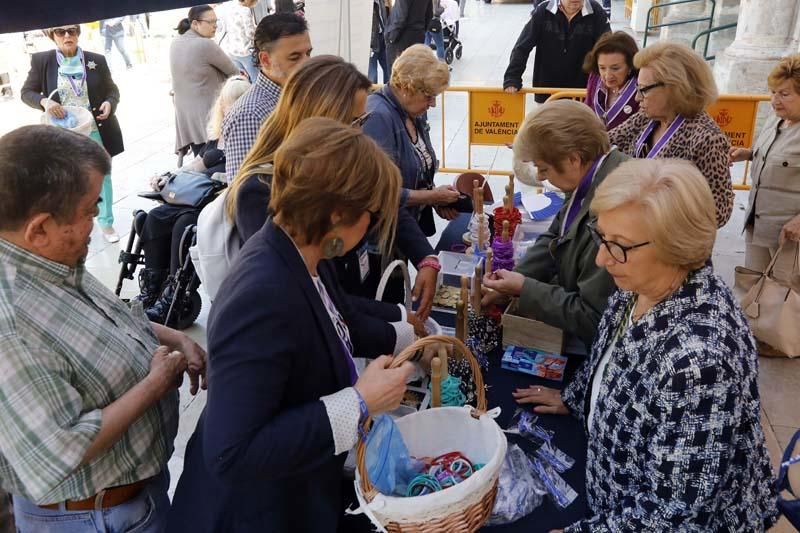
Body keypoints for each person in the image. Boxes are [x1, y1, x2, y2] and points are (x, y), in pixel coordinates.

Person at [168, 118, 419, 531]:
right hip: (252, 514)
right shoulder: (262, 292)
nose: (371, 229)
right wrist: (359, 402)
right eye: (371, 217)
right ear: (337, 213)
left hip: (292, 496)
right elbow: (232, 452)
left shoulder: (304, 256)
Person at [519, 158, 779, 531]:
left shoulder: (698, 364)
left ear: (678, 248)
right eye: (601, 236)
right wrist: (576, 398)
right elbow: (611, 358)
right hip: (613, 492)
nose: (601, 257)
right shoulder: (642, 281)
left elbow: (674, 513)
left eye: (619, 246)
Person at [0, 125, 207, 533]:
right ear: (39, 228)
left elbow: (104, 316)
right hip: (93, 518)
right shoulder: (11, 325)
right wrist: (156, 383)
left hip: (130, 498)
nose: (96, 220)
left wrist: (175, 336)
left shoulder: (47, 260)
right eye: (90, 211)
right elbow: (63, 447)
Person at [226, 54, 440, 320]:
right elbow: (316, 299)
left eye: (362, 121)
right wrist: (398, 323)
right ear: (322, 118)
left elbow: (387, 205)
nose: (362, 132)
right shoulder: (260, 190)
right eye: (356, 122)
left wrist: (426, 258)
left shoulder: (340, 157)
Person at [482, 101, 619, 354]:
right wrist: (517, 278)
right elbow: (557, 234)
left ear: (573, 159)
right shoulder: (589, 178)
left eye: (544, 169)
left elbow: (592, 317)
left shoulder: (611, 212)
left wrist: (525, 288)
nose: (542, 178)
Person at [136, 75, 251, 324]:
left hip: (214, 203)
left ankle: (174, 297)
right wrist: (167, 177)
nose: (233, 107)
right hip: (192, 197)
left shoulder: (247, 136)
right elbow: (194, 166)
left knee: (184, 225)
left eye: (239, 101)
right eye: (229, 102)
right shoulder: (216, 137)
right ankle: (152, 290)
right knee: (155, 217)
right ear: (222, 105)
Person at [362, 44, 457, 314]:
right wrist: (431, 197)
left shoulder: (409, 112)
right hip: (381, 243)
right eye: (429, 96)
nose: (433, 103)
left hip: (402, 233)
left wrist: (433, 197)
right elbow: (379, 193)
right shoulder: (378, 117)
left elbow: (418, 169)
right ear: (406, 87)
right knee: (387, 308)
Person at [609, 41, 733, 228]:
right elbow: (603, 143)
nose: (637, 98)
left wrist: (658, 210)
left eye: (643, 90)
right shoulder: (647, 118)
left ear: (676, 88)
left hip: (672, 247)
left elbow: (719, 211)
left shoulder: (707, 138)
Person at [21, 24, 124, 243]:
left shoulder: (95, 59)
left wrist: (109, 103)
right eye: (61, 32)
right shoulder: (42, 60)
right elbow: (26, 92)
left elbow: (112, 90)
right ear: (52, 36)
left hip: (95, 129)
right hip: (62, 134)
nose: (67, 35)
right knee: (68, 180)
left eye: (72, 31)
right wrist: (44, 101)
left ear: (78, 33)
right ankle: (75, 222)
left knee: (102, 177)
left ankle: (106, 222)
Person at [731, 54, 800, 293]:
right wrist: (748, 154)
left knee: (783, 300)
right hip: (758, 223)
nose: (774, 100)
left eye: (784, 94)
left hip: (789, 237)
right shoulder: (777, 120)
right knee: (752, 288)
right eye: (773, 92)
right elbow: (779, 156)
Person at [222, 12, 311, 179]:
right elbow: (243, 193)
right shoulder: (250, 114)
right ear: (265, 60)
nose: (306, 62)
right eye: (295, 57)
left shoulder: (297, 96)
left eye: (308, 53)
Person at [503, 0, 610, 103]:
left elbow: (608, 48)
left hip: (583, 92)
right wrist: (512, 77)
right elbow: (522, 47)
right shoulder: (543, 11)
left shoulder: (596, 12)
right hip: (547, 90)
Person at [170, 5, 239, 157]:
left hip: (186, 116)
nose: (215, 26)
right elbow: (234, 72)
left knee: (199, 161)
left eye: (216, 21)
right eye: (211, 22)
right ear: (195, 24)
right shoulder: (205, 44)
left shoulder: (176, 42)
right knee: (216, 162)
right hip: (207, 115)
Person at [582, 30, 639, 131]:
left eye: (615, 68)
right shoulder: (595, 77)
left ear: (630, 66)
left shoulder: (640, 88)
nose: (607, 75)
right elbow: (587, 109)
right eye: (602, 68)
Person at [216, 0, 260, 82]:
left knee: (243, 80)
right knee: (256, 79)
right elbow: (250, 33)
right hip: (246, 51)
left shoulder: (229, 6)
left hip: (232, 51)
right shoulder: (245, 10)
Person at [385, 0, 433, 69]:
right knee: (413, 71)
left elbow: (400, 17)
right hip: (418, 34)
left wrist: (391, 37)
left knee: (397, 72)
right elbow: (429, 15)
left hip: (401, 37)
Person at [368, 0, 389, 83]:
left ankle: (387, 93)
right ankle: (372, 95)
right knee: (372, 75)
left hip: (383, 39)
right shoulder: (366, 5)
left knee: (389, 69)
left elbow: (384, 19)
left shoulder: (382, 2)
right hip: (371, 42)